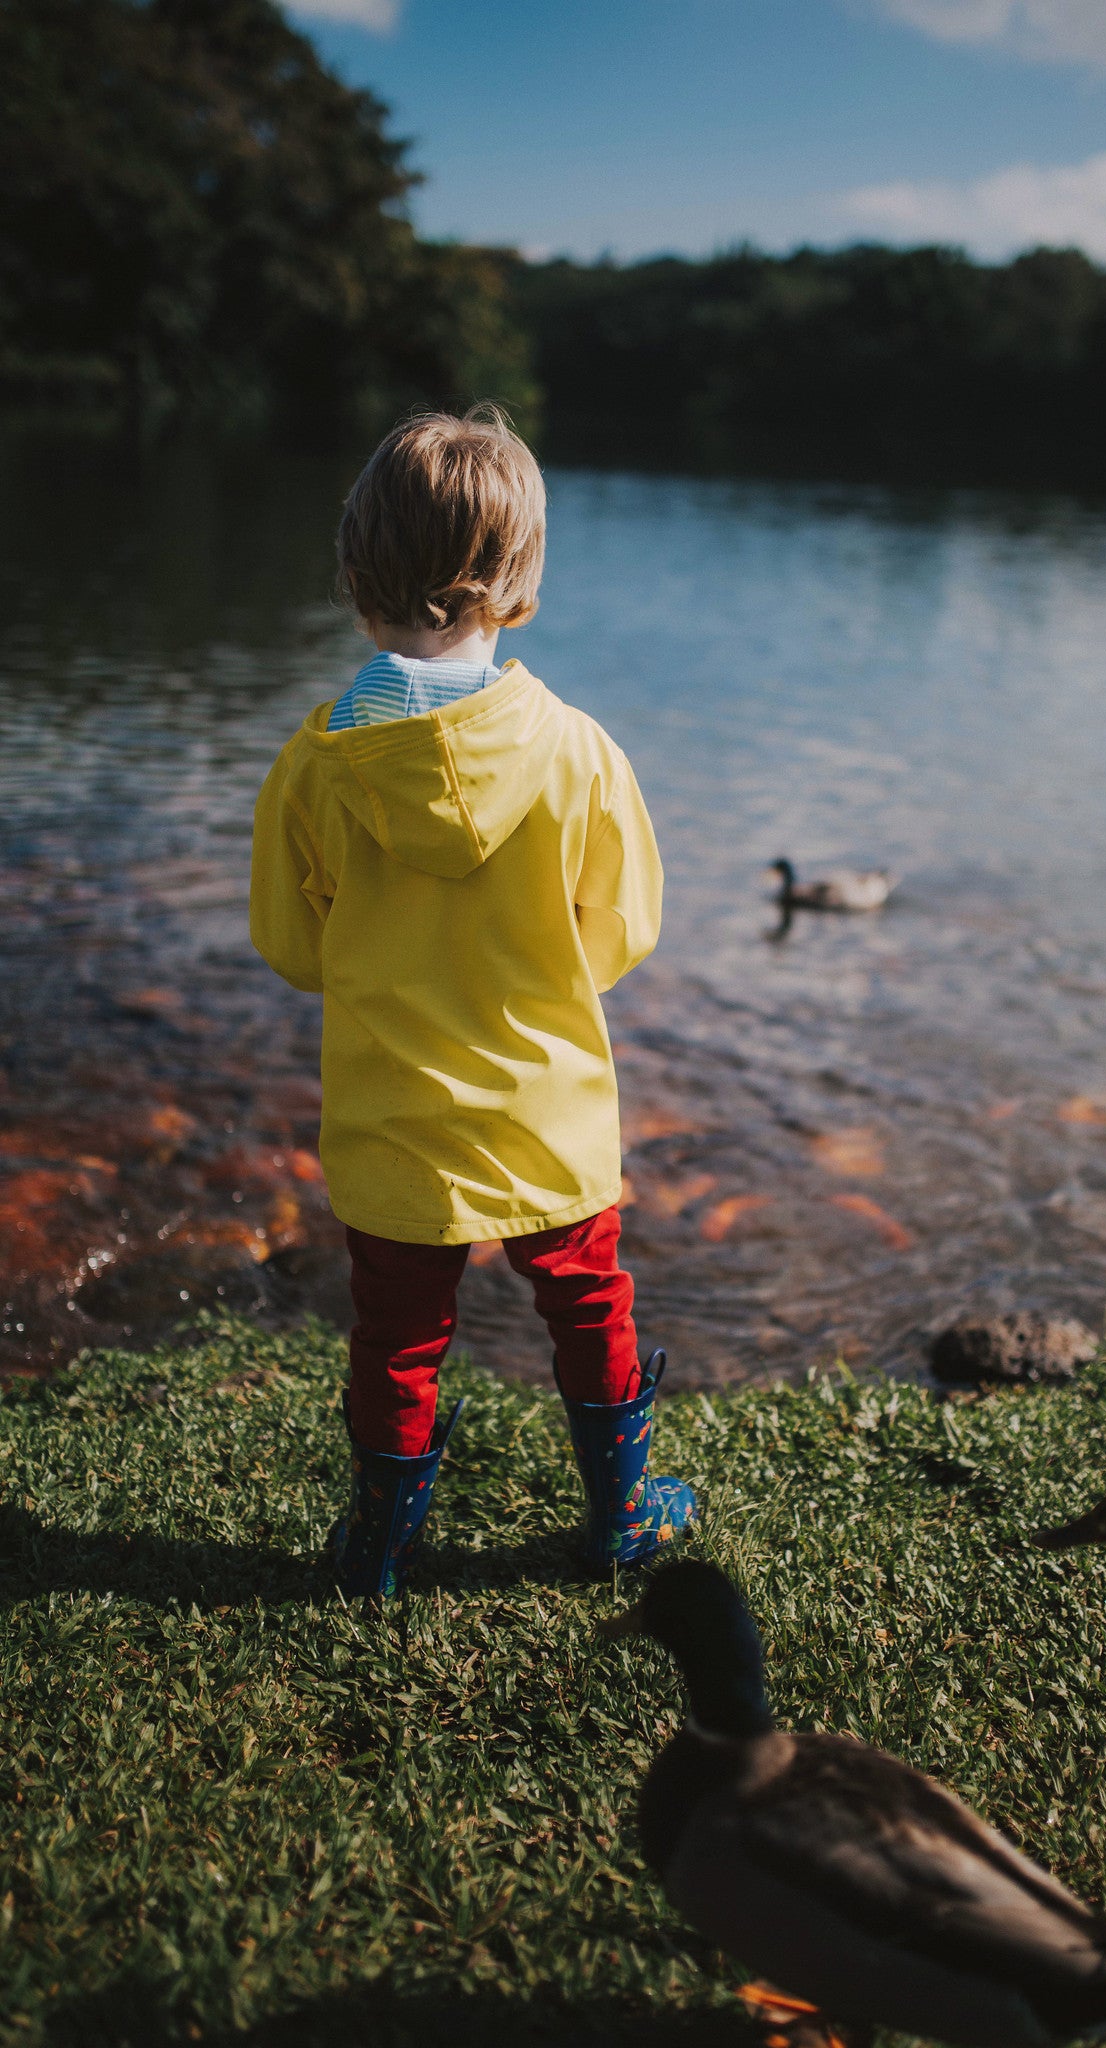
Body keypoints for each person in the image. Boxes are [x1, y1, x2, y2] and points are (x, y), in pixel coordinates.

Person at [249, 408, 696, 1597]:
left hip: (396, 1120)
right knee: (589, 1299)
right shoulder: (581, 752)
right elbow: (627, 927)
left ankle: (378, 1548)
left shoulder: (314, 764)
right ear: (518, 581)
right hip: (550, 1112)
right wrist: (541, 974)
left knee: (396, 1334)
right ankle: (623, 1515)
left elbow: (293, 944)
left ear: (352, 574)